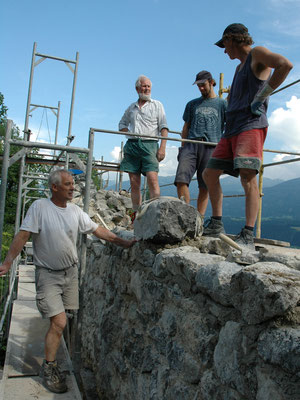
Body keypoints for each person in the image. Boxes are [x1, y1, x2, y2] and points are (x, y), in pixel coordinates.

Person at [0, 169, 136, 394]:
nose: (73, 187)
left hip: (70, 274)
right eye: (68, 184)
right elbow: (23, 235)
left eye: (73, 184)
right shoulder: (40, 208)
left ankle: (55, 354)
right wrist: (7, 263)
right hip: (48, 274)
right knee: (60, 322)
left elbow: (97, 230)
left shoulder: (75, 211)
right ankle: (50, 367)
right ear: (54, 187)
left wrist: (123, 242)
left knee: (64, 320)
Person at [202, 23, 293, 247]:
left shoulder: (257, 53)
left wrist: (262, 96)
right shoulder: (239, 67)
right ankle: (216, 222)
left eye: (224, 44)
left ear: (233, 39)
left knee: (247, 176)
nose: (224, 50)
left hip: (251, 124)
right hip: (232, 128)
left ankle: (248, 233)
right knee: (210, 173)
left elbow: (285, 65)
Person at [174, 70, 227, 216]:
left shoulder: (222, 104)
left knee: (205, 185)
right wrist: (182, 147)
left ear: (211, 82)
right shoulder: (192, 104)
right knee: (181, 179)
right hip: (191, 143)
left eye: (203, 85)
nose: (201, 88)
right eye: (198, 86)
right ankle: (186, 216)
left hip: (212, 145)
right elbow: (186, 126)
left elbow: (229, 126)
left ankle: (199, 219)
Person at [119, 75, 168, 222]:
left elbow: (164, 127)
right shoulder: (131, 108)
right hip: (133, 145)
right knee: (134, 183)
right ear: (137, 88)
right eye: (144, 86)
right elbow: (121, 125)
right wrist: (130, 134)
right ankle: (137, 216)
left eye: (148, 87)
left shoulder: (157, 105)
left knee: (153, 179)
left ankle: (155, 216)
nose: (146, 89)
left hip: (150, 144)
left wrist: (162, 148)